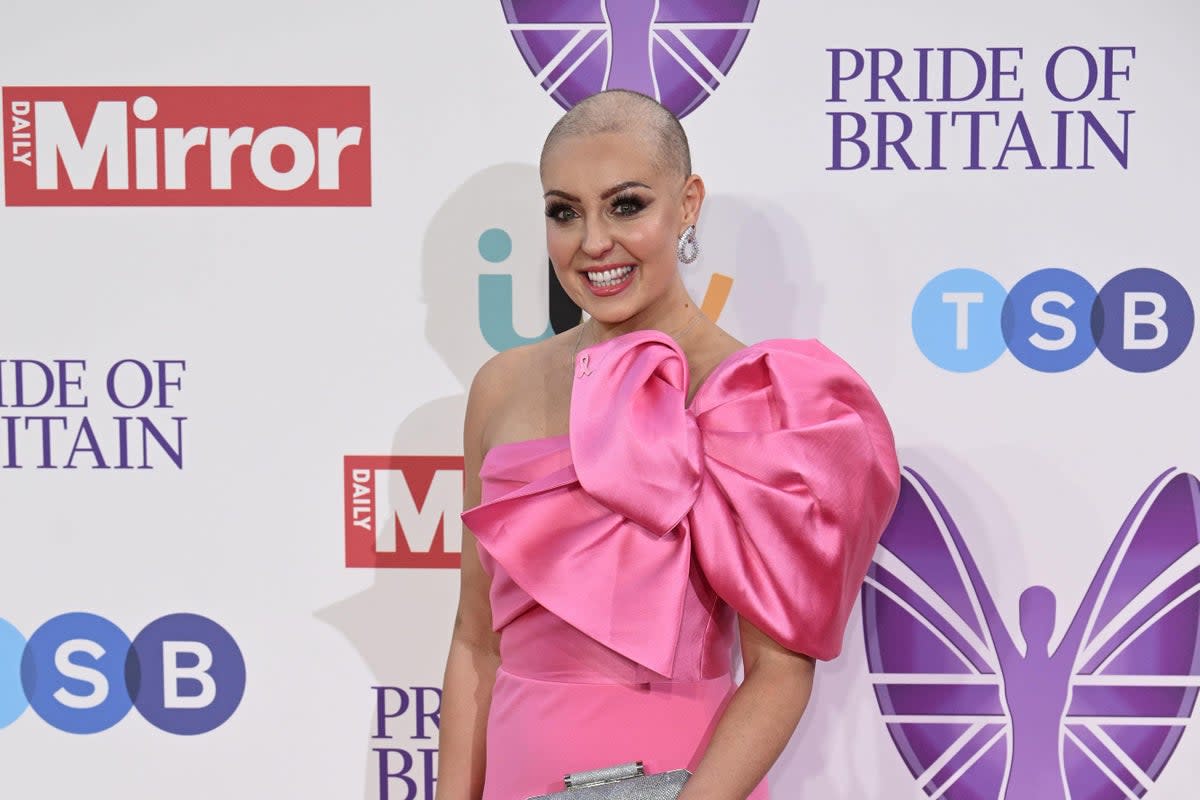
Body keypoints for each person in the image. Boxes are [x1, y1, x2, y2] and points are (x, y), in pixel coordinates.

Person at [436, 89, 900, 800]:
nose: (593, 242)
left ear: (687, 204)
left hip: (683, 780)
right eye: (564, 211)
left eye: (625, 205)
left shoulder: (760, 399)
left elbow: (779, 671)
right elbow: (475, 641)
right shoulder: (501, 387)